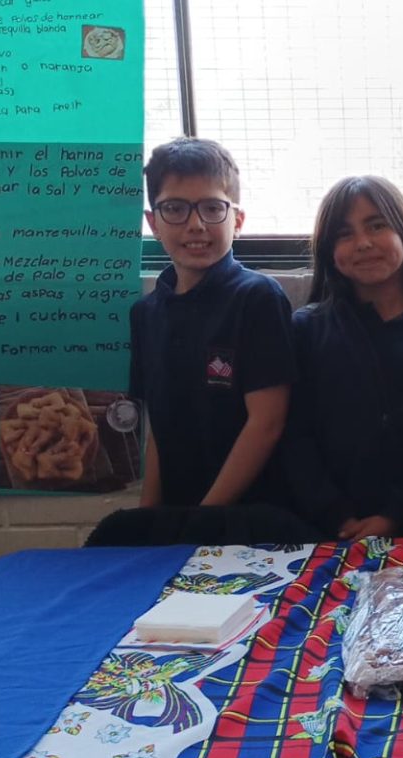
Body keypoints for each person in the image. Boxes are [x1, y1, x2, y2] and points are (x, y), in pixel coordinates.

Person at [284, 175, 403, 541]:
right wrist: (335, 515)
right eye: (344, 233)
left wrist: (395, 517)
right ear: (328, 251)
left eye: (376, 225)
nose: (363, 243)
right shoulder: (306, 329)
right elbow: (294, 438)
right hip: (324, 529)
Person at [128, 137, 302, 517]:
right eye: (175, 208)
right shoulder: (146, 313)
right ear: (153, 223)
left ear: (236, 220)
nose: (196, 225)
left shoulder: (256, 298)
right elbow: (160, 429)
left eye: (212, 208)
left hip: (250, 515)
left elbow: (267, 423)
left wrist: (202, 519)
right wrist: (149, 518)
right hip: (181, 515)